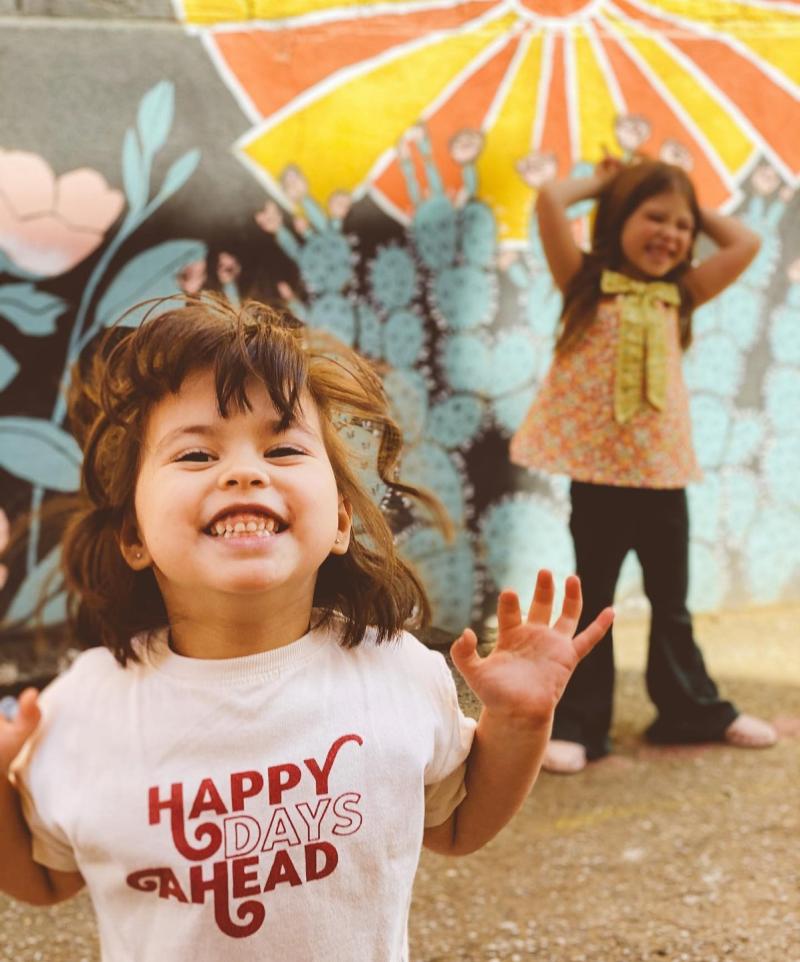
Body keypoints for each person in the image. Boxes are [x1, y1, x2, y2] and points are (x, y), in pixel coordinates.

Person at [0, 295, 612, 960]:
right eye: (196, 455)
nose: (244, 470)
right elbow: (42, 876)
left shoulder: (396, 672)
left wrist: (520, 723)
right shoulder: (86, 711)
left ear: (342, 521)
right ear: (133, 534)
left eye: (284, 447)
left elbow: (459, 825)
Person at [510, 158, 778, 775]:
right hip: (599, 480)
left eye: (682, 227)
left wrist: (679, 190)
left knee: (672, 603)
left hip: (662, 481)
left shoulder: (682, 293)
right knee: (596, 604)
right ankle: (579, 724)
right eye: (653, 216)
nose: (672, 234)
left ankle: (694, 710)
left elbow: (747, 240)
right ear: (618, 218)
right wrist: (612, 182)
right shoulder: (582, 279)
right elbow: (551, 199)